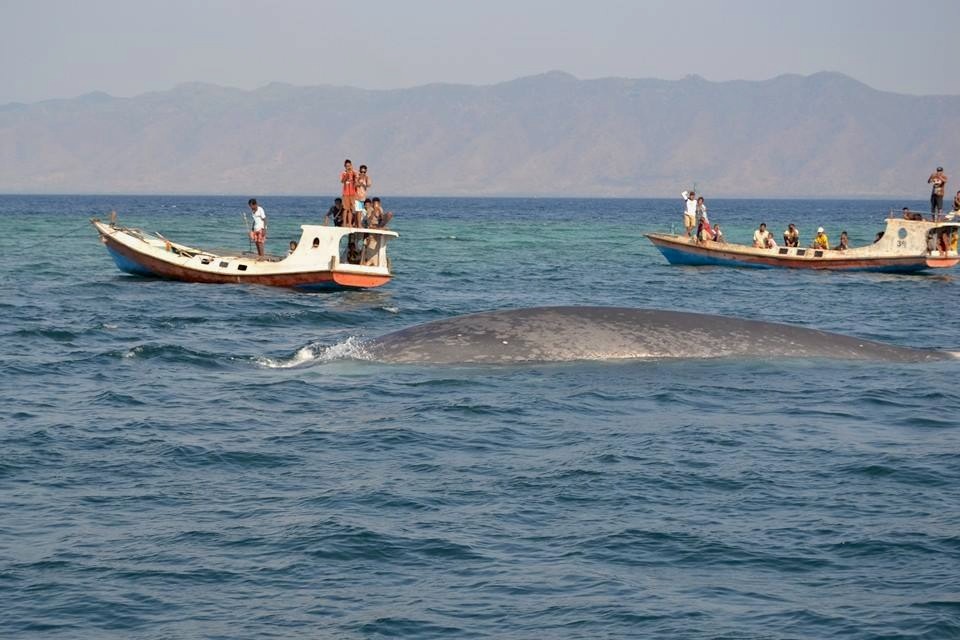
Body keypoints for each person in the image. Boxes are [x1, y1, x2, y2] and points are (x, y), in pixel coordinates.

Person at [340, 159, 358, 227]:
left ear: (351, 165)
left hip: (352, 193)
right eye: (347, 166)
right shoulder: (343, 173)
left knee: (351, 209)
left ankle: (350, 223)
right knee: (345, 209)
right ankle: (344, 222)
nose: (348, 167)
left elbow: (356, 180)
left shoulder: (354, 172)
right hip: (345, 193)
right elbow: (342, 181)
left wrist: (353, 174)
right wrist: (347, 174)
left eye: (349, 165)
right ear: (345, 166)